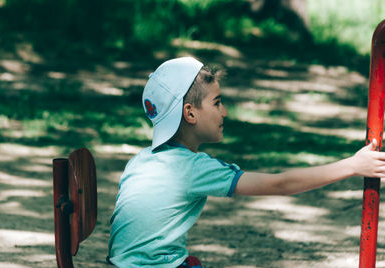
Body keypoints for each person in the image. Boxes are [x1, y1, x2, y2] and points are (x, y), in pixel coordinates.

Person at [108, 57, 385, 267]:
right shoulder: (191, 169)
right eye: (217, 103)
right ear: (190, 114)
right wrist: (352, 165)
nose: (225, 112)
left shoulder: (139, 161)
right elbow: (280, 184)